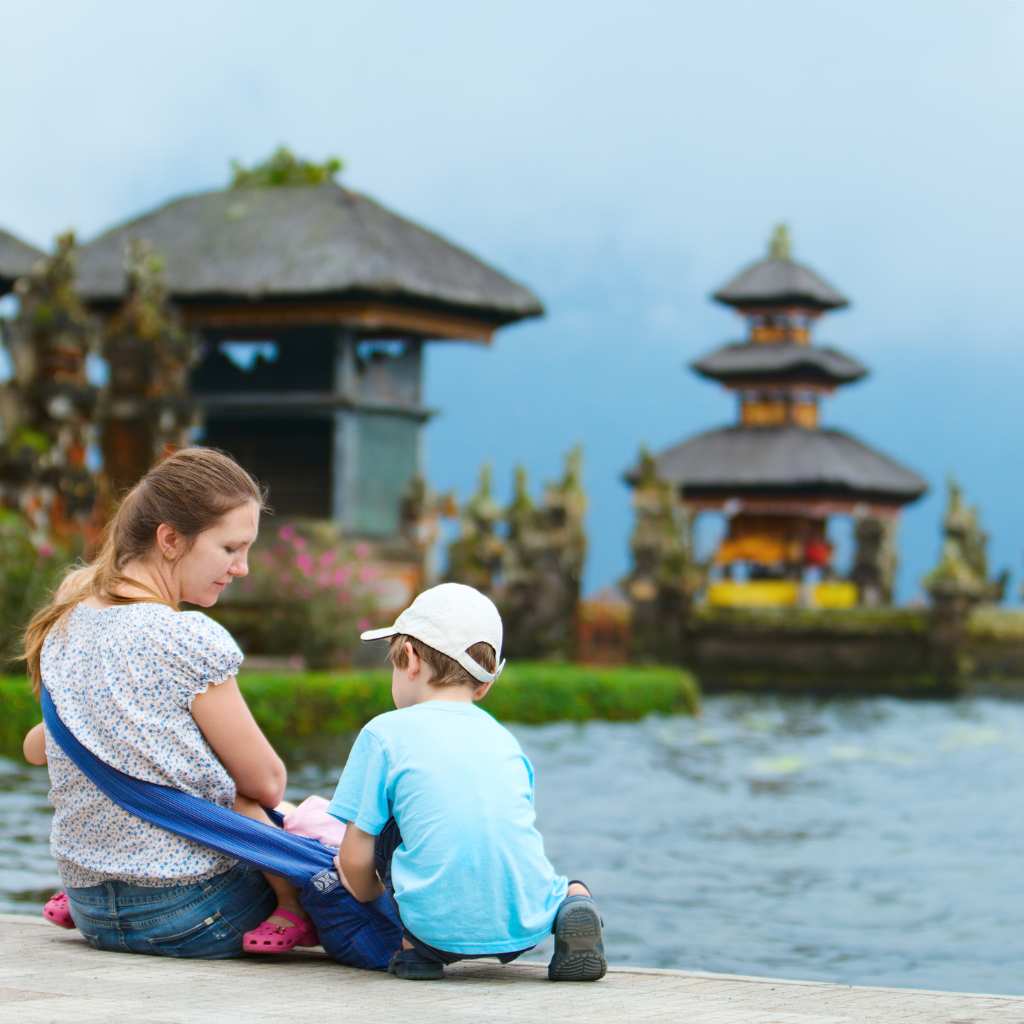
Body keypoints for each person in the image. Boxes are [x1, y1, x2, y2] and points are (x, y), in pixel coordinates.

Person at [21, 447, 315, 958]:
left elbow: (40, 746)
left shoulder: (66, 621)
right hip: (192, 913)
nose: (242, 568)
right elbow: (265, 782)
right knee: (291, 819)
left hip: (92, 910)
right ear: (171, 539)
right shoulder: (183, 638)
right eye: (230, 548)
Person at [327, 582, 607, 982]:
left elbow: (355, 858)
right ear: (485, 683)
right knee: (563, 885)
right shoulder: (505, 740)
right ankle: (572, 905)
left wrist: (372, 900)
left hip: (432, 929)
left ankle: (415, 951)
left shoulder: (384, 734)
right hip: (524, 923)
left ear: (408, 658)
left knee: (386, 824)